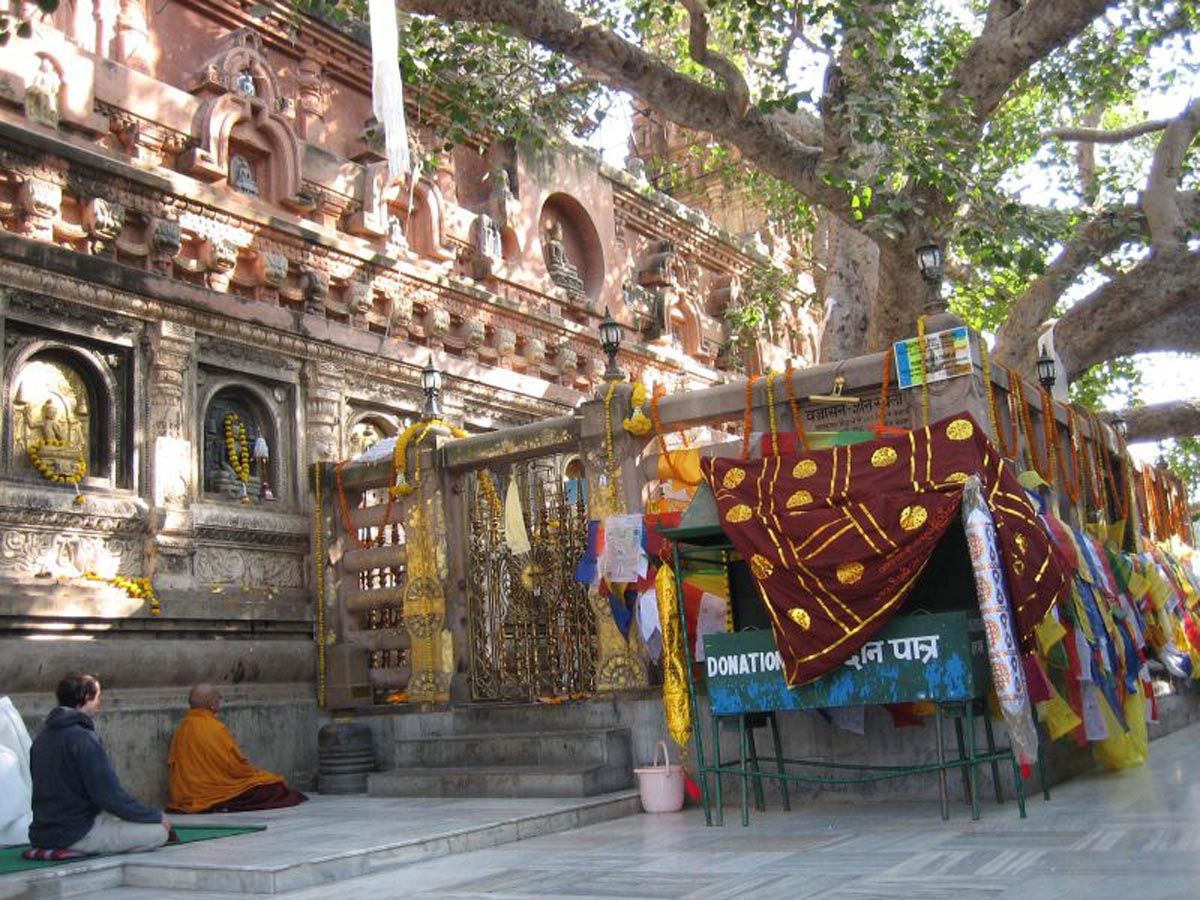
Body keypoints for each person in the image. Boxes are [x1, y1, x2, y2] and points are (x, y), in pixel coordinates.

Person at [28, 674, 168, 854]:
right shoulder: (82, 738)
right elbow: (108, 795)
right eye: (99, 697)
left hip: (42, 833)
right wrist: (154, 816)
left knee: (121, 824)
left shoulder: (42, 737)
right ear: (87, 697)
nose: (99, 703)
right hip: (76, 833)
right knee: (158, 833)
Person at [168, 685, 307, 813]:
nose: (219, 701)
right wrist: (254, 774)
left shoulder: (181, 729)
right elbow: (235, 767)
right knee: (273, 786)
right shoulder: (215, 728)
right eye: (218, 698)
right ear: (212, 704)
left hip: (186, 794)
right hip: (215, 791)